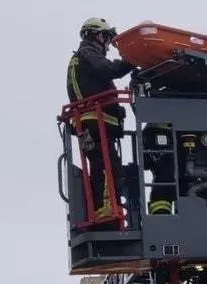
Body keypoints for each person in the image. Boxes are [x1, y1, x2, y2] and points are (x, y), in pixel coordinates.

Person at [67, 17, 135, 221]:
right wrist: (132, 61)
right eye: (106, 37)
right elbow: (107, 69)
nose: (107, 43)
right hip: (95, 122)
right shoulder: (88, 53)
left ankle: (104, 208)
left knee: (102, 165)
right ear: (96, 35)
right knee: (106, 167)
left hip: (92, 123)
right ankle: (106, 211)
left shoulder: (82, 57)